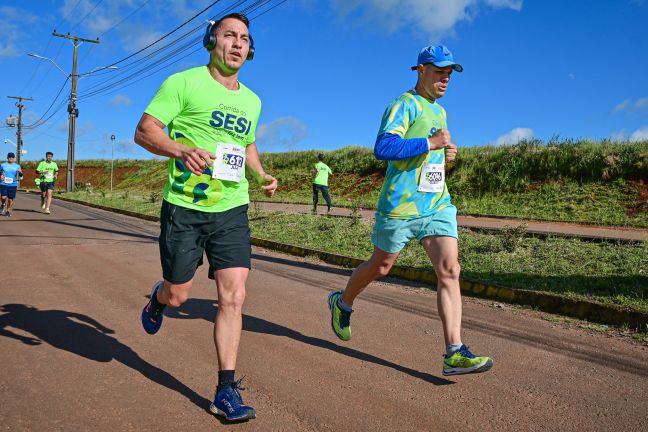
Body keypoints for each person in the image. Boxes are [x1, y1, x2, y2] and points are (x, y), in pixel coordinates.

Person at [134, 12, 277, 422]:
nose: (237, 43)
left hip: (232, 207)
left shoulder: (252, 100)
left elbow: (246, 145)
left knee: (233, 297)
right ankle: (158, 297)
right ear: (211, 41)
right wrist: (180, 149)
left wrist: (261, 174)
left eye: (244, 39)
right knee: (179, 293)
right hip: (184, 207)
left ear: (251, 50)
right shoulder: (182, 83)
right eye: (229, 35)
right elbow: (145, 131)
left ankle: (225, 390)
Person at [327, 45, 493, 376]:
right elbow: (383, 148)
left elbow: (431, 157)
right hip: (401, 207)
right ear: (420, 71)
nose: (445, 80)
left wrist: (447, 157)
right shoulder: (403, 105)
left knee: (450, 270)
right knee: (382, 266)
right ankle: (342, 302)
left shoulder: (440, 112)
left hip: (436, 204)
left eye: (449, 75)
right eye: (439, 73)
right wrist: (430, 144)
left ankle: (454, 351)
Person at [0, 152, 23, 217]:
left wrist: (20, 172)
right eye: (9, 157)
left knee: (10, 199)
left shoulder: (17, 166)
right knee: (3, 197)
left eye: (12, 157)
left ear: (14, 158)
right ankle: (3, 204)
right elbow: (0, 171)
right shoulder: (3, 165)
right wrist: (1, 175)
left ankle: (7, 211)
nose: (11, 158)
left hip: (13, 184)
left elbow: (21, 175)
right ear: (7, 158)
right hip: (3, 183)